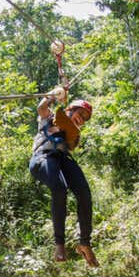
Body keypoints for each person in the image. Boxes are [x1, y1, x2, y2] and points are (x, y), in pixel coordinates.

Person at [29, 88, 98, 266]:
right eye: (79, 114)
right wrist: (56, 93)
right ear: (70, 110)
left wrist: (69, 128)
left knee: (84, 192)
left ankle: (84, 242)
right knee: (59, 189)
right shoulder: (51, 117)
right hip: (43, 158)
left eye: (84, 118)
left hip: (62, 160)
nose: (81, 119)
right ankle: (59, 244)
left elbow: (69, 143)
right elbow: (42, 107)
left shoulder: (74, 135)